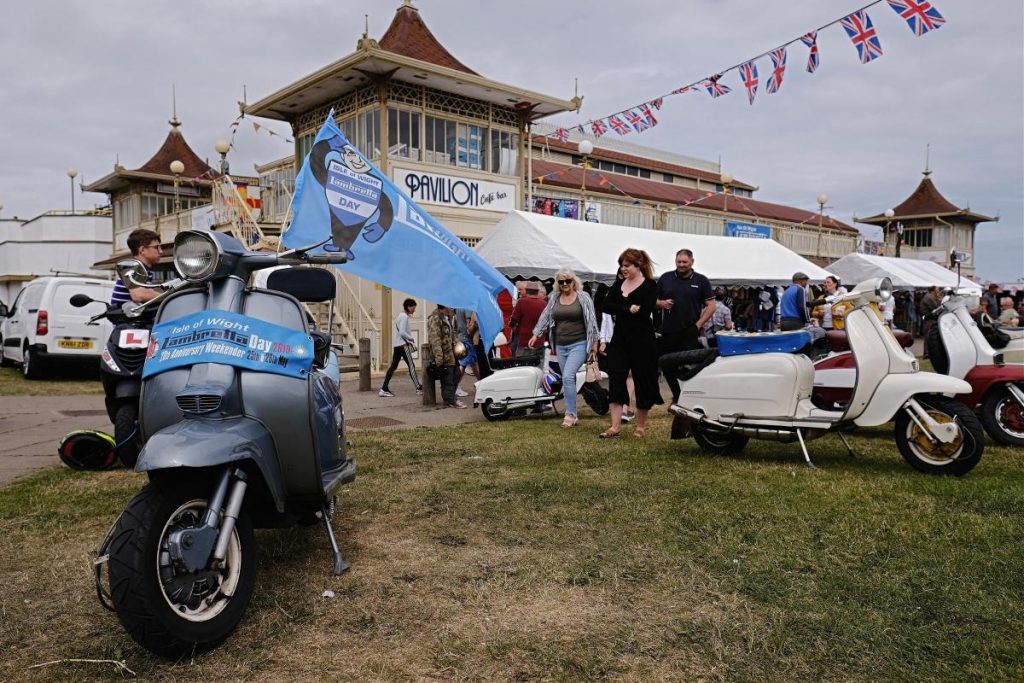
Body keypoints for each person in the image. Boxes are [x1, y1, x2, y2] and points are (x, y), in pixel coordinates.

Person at [600, 249, 663, 438]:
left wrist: (627, 309)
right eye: (621, 265)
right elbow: (606, 306)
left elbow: (644, 312)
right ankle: (615, 426)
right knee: (616, 378)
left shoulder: (650, 285)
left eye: (627, 265)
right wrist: (628, 308)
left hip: (643, 340)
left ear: (638, 265)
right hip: (620, 339)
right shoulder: (618, 283)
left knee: (642, 380)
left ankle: (640, 427)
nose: (623, 268)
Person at [529, 267, 599, 428]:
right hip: (560, 345)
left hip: (579, 343)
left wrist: (595, 341)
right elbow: (545, 316)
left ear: (574, 282)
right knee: (569, 379)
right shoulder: (554, 297)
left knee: (567, 376)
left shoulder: (583, 297)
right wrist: (536, 334)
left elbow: (592, 319)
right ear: (558, 284)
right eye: (561, 281)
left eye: (568, 281)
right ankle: (573, 413)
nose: (565, 284)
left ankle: (570, 414)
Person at [656, 249, 715, 402]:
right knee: (666, 364)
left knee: (686, 366)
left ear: (692, 262)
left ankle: (687, 396)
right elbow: (651, 300)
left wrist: (698, 324)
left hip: (690, 330)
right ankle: (676, 395)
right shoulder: (665, 278)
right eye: (678, 262)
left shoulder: (701, 280)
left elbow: (711, 306)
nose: (681, 265)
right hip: (668, 330)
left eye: (684, 262)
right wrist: (661, 303)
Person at [379, 298, 423, 397]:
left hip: (397, 345)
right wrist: (411, 338)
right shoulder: (404, 317)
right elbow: (402, 332)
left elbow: (399, 332)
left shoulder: (399, 316)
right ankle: (418, 388)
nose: (414, 310)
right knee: (411, 367)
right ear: (409, 307)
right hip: (403, 346)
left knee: (393, 367)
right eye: (413, 308)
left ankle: (384, 388)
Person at [427, 304, 466, 408]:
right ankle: (450, 400)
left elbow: (452, 334)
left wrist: (457, 345)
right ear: (444, 307)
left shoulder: (447, 317)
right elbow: (435, 340)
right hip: (444, 355)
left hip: (451, 354)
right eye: (449, 306)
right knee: (448, 379)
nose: (452, 308)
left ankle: (451, 398)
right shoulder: (435, 319)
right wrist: (439, 359)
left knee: (456, 374)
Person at [110, 228, 162, 306]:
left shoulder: (143, 269)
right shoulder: (131, 267)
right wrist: (169, 297)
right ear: (142, 250)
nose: (161, 251)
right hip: (125, 318)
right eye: (156, 247)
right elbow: (139, 295)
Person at [509, 281, 546, 359]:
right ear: (537, 292)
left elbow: (514, 319)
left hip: (524, 340)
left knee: (522, 367)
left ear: (527, 291)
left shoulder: (522, 302)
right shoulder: (544, 303)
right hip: (539, 341)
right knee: (537, 367)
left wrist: (513, 327)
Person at [453, 308, 478, 397]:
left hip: (461, 337)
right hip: (466, 339)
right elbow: (469, 326)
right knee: (463, 364)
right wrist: (475, 325)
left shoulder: (459, 307)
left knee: (474, 363)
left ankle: (481, 384)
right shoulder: (468, 308)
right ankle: (455, 387)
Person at [919, 286, 941, 357]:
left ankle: (928, 353)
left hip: (930, 319)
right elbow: (936, 307)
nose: (938, 290)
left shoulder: (931, 297)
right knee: (928, 336)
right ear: (933, 290)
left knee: (929, 336)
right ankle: (926, 353)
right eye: (937, 289)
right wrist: (938, 300)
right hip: (929, 320)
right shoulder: (929, 297)